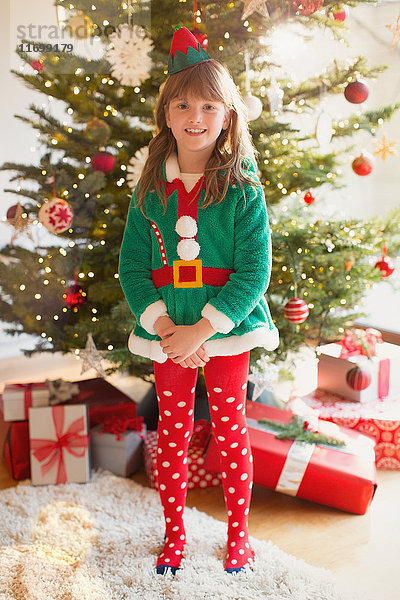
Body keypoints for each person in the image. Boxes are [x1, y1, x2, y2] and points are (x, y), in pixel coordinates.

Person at [119, 26, 279, 576]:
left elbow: (255, 269)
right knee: (174, 433)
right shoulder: (150, 190)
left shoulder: (243, 188)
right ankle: (175, 534)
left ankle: (239, 537)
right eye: (183, 104)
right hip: (168, 332)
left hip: (225, 332)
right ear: (166, 114)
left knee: (231, 428)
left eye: (209, 105)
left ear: (228, 115)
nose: (195, 116)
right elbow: (133, 266)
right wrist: (166, 326)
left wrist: (204, 330)